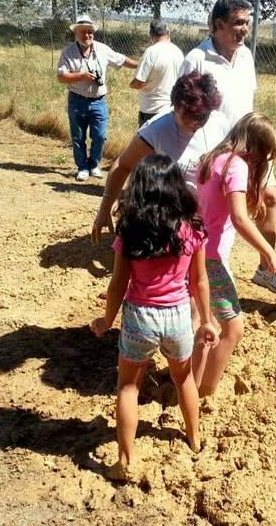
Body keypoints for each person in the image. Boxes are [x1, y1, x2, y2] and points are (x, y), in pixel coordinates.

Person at [90, 154, 219, 481]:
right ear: (177, 188)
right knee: (184, 379)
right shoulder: (191, 230)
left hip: (140, 317)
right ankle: (194, 437)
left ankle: (125, 458)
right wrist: (205, 319)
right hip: (177, 315)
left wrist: (107, 320)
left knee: (129, 387)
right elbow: (199, 280)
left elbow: (118, 283)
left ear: (139, 190)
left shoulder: (130, 231)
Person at [179, 0, 276, 296]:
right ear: (218, 25)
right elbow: (183, 105)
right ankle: (192, 267)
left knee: (270, 196)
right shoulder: (197, 59)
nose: (245, 29)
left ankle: (264, 269)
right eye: (238, 23)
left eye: (247, 22)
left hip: (250, 145)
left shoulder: (246, 57)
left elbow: (247, 103)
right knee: (210, 213)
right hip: (214, 152)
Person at [195, 112, 276, 395]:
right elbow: (240, 218)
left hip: (197, 250)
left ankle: (190, 385)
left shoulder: (212, 158)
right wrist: (268, 251)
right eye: (266, 155)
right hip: (212, 259)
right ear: (257, 149)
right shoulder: (238, 167)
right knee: (233, 329)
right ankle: (204, 391)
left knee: (204, 322)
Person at [91, 71, 228, 240]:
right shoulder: (155, 130)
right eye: (190, 117)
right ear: (175, 106)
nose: (197, 123)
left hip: (209, 221)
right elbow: (123, 165)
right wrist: (104, 209)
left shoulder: (219, 122)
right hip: (171, 222)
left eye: (203, 117)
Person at [56, 14, 138, 181]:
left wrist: (144, 65)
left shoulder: (102, 49)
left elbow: (122, 61)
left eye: (90, 32)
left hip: (98, 100)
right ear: (76, 34)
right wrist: (81, 76)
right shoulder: (68, 52)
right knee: (78, 137)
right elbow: (61, 77)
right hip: (77, 100)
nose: (87, 35)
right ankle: (82, 167)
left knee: (100, 136)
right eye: (83, 32)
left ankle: (94, 165)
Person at [129, 19, 184, 127]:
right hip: (172, 109)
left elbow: (138, 82)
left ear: (151, 34)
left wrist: (131, 84)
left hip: (151, 110)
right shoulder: (178, 52)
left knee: (148, 144)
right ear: (168, 32)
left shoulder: (151, 52)